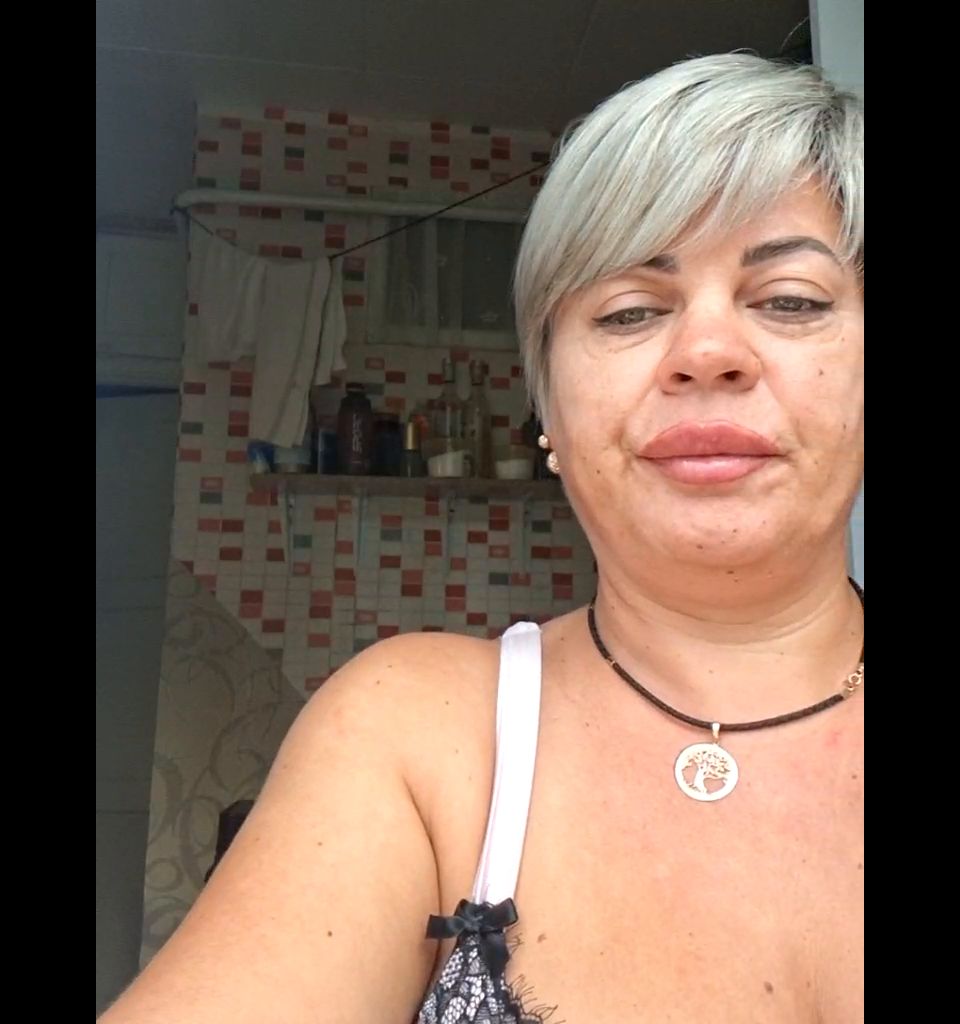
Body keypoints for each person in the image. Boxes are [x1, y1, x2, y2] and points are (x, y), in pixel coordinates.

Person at [102, 52, 864, 1023]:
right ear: (550, 409)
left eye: (791, 299)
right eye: (630, 311)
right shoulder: (414, 739)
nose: (707, 353)